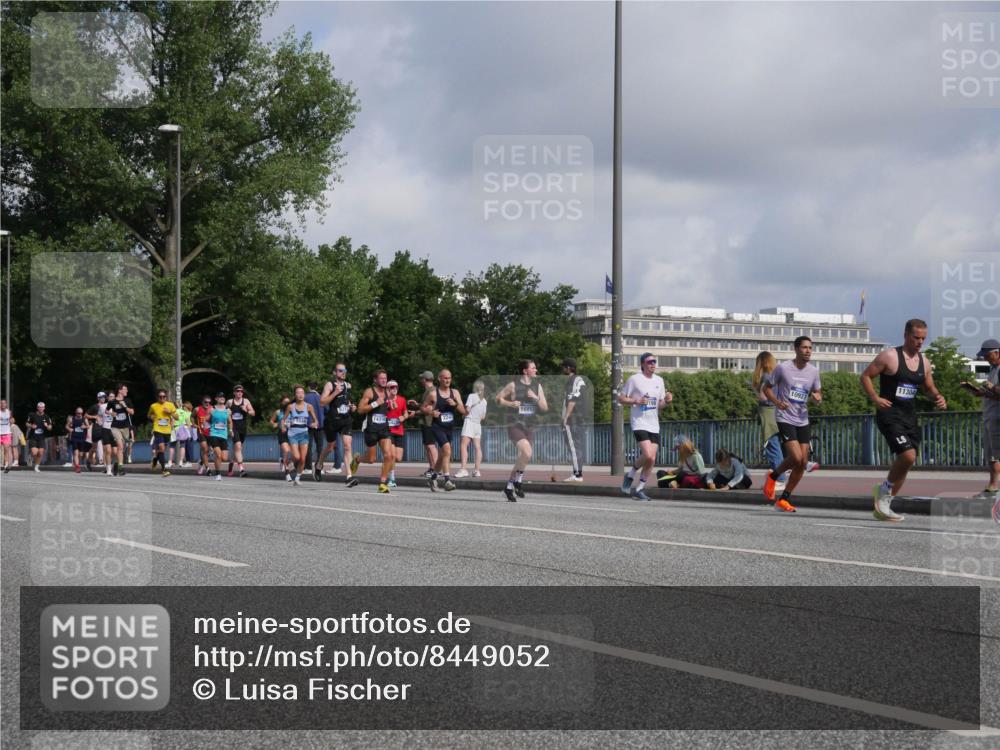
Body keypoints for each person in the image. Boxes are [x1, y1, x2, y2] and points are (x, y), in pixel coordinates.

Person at [860, 319, 947, 522]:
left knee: (908, 461)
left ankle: (885, 503)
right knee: (907, 456)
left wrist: (938, 397)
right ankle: (883, 491)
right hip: (889, 414)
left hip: (909, 415)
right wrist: (875, 398)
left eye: (923, 339)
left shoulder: (924, 362)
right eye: (916, 337)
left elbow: (928, 387)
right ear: (906, 335)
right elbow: (865, 376)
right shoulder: (890, 356)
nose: (920, 342)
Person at [761, 336, 823, 513]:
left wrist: (817, 397)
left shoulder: (813, 371)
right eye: (804, 347)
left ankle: (784, 499)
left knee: (802, 462)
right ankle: (772, 477)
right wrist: (777, 401)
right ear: (796, 349)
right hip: (784, 417)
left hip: (802, 419)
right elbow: (766, 388)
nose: (808, 351)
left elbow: (818, 392)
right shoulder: (783, 368)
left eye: (810, 348)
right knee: (796, 457)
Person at [618, 353, 672, 501]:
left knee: (652, 458)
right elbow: (621, 398)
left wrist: (667, 401)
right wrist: (636, 401)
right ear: (643, 364)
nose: (653, 364)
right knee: (648, 454)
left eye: (655, 361)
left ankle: (639, 487)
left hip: (654, 424)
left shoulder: (659, 381)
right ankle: (630, 475)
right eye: (650, 362)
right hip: (639, 422)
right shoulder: (634, 379)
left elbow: (659, 405)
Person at [496, 359, 549, 502]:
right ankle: (518, 481)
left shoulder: (537, 386)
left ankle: (509, 486)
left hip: (529, 425)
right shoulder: (513, 385)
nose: (536, 370)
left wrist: (536, 398)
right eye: (533, 368)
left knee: (525, 456)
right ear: (525, 371)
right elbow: (497, 399)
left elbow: (545, 408)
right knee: (527, 452)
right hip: (515, 425)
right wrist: (510, 403)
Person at [964, 339, 1000, 510]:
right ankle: (992, 487)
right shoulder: (993, 369)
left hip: (998, 417)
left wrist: (991, 388)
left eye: (988, 355)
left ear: (997, 352)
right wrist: (979, 392)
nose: (986, 359)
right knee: (991, 454)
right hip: (990, 415)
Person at [351, 369, 396, 494]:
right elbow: (360, 410)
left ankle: (382, 483)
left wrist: (391, 406)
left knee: (389, 455)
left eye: (385, 379)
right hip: (371, 428)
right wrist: (375, 403)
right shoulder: (370, 392)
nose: (384, 380)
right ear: (375, 380)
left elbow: (385, 408)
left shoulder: (388, 393)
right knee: (371, 459)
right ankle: (357, 460)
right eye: (381, 378)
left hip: (384, 428)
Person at [423, 368, 466, 492]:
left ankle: (433, 477)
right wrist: (431, 412)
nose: (447, 380)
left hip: (449, 428)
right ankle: (447, 480)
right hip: (437, 427)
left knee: (443, 455)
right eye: (445, 378)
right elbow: (423, 408)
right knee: (447, 449)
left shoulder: (455, 393)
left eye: (449, 378)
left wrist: (455, 404)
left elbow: (463, 412)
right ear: (439, 379)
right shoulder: (433, 394)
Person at [318, 363, 355, 484]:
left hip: (345, 420)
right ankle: (319, 465)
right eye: (340, 370)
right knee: (329, 447)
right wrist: (334, 393)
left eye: (345, 370)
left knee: (347, 446)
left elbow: (346, 401)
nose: (343, 372)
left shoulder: (348, 385)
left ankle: (349, 476)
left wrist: (351, 406)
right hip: (332, 421)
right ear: (334, 372)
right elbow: (322, 402)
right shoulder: (330, 385)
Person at [283, 385, 319, 486]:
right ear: (295, 395)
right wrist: (283, 426)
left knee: (303, 458)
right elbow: (283, 420)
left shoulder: (309, 406)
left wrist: (314, 423)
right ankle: (288, 463)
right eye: (298, 393)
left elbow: (315, 420)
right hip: (293, 434)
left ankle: (297, 478)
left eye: (302, 393)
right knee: (297, 457)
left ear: (305, 395)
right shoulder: (290, 407)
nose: (300, 395)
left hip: (304, 434)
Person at [561, 358, 588, 482]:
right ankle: (577, 473)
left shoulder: (573, 381)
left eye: (564, 367)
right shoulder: (579, 380)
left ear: (568, 368)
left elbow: (572, 400)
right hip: (580, 419)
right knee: (577, 446)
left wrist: (565, 418)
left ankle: (577, 474)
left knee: (574, 446)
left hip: (573, 420)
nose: (562, 369)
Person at [385, 380, 415, 488]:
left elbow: (405, 412)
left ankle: (388, 472)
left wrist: (404, 417)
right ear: (387, 389)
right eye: (392, 387)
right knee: (392, 455)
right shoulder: (384, 400)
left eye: (396, 387)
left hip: (399, 430)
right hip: (388, 431)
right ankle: (391, 478)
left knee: (398, 458)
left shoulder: (402, 400)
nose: (394, 389)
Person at [409, 371, 439, 479]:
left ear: (425, 379)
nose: (421, 380)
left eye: (422, 379)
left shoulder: (432, 391)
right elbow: (426, 407)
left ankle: (436, 470)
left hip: (429, 421)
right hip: (426, 420)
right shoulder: (428, 391)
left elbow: (430, 408)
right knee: (428, 445)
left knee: (431, 445)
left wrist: (417, 411)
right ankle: (432, 468)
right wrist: (417, 405)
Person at [456, 380, 487, 478]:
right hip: (478, 424)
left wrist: (463, 414)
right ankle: (477, 470)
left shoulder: (471, 396)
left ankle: (463, 469)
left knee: (464, 445)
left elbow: (467, 410)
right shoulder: (484, 401)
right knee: (477, 447)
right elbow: (483, 417)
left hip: (469, 422)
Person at [147, 389, 177, 477]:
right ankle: (164, 470)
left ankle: (155, 459)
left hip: (167, 431)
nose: (162, 398)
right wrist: (152, 416)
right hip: (157, 429)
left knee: (161, 450)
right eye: (160, 397)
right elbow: (149, 415)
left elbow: (177, 417)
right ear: (157, 397)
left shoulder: (170, 405)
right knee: (161, 448)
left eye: (164, 396)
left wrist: (170, 412)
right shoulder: (153, 406)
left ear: (166, 397)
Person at [226, 385, 254, 477]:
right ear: (234, 392)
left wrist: (246, 410)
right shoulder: (230, 402)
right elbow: (223, 412)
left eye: (241, 391)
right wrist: (227, 413)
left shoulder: (246, 401)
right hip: (233, 427)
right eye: (238, 391)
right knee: (237, 446)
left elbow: (253, 413)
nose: (240, 393)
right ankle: (242, 469)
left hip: (243, 428)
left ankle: (230, 464)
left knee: (238, 448)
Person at [106, 387, 133, 476]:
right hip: (115, 427)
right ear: (120, 391)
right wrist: (111, 413)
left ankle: (116, 464)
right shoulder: (112, 402)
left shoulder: (127, 400)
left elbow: (132, 412)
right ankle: (121, 469)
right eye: (125, 389)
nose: (127, 391)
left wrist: (124, 406)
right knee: (120, 446)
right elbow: (107, 410)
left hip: (125, 427)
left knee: (122, 449)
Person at [206, 393, 232, 482]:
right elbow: (206, 420)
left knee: (224, 458)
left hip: (223, 435)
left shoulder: (227, 411)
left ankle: (211, 451)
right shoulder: (212, 410)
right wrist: (205, 426)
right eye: (220, 397)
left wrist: (231, 430)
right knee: (219, 455)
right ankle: (218, 474)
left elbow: (230, 422)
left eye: (223, 397)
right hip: (214, 434)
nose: (222, 398)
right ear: (216, 398)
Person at [25, 402, 53, 472]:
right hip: (33, 437)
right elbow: (26, 423)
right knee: (35, 453)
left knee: (40, 452)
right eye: (39, 407)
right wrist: (31, 426)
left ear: (44, 408)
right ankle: (31, 456)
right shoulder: (32, 415)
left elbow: (50, 427)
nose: (41, 408)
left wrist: (47, 426)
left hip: (41, 438)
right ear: (37, 408)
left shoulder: (46, 417)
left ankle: (36, 466)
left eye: (42, 407)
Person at [304, 381, 324, 476]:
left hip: (308, 424)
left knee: (308, 446)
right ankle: (319, 466)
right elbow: (327, 409)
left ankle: (308, 467)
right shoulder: (321, 397)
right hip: (320, 424)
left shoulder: (305, 397)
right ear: (316, 387)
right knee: (320, 447)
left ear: (308, 387)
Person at [270, 395, 293, 480]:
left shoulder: (293, 411)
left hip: (292, 434)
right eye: (285, 402)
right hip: (282, 434)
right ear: (281, 403)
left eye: (288, 402)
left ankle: (284, 461)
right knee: (287, 451)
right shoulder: (278, 412)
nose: (287, 404)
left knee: (293, 454)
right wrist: (274, 424)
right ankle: (287, 473)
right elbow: (271, 421)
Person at [66, 407, 90, 474]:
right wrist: (69, 429)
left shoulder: (84, 419)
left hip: (82, 438)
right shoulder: (72, 419)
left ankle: (77, 464)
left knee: (81, 454)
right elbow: (66, 426)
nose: (80, 414)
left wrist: (85, 427)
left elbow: (88, 426)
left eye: (81, 413)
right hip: (74, 438)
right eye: (79, 413)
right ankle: (77, 466)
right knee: (76, 453)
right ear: (76, 413)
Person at [194, 395, 213, 475]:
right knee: (204, 449)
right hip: (201, 432)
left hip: (211, 433)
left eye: (209, 402)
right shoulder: (197, 409)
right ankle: (207, 469)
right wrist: (194, 424)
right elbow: (191, 417)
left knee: (210, 451)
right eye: (206, 402)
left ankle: (201, 462)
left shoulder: (212, 409)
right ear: (202, 402)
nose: (207, 404)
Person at [174, 401, 195, 468]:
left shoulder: (190, 414)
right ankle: (187, 461)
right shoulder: (184, 413)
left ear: (187, 407)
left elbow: (189, 423)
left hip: (189, 430)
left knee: (188, 446)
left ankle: (189, 461)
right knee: (185, 446)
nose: (183, 407)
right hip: (184, 430)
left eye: (184, 406)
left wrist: (188, 431)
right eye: (183, 406)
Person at [0, 399, 13, 472]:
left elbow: (12, 420)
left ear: (6, 404)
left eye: (4, 403)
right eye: (1, 403)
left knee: (6, 449)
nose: (3, 404)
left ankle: (6, 465)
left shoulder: (9, 412)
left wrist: (11, 421)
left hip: (7, 433)